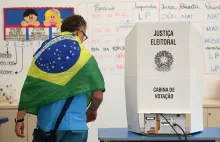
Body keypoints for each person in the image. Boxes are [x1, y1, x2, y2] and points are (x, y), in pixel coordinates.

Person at [14, 14, 105, 142]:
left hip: (46, 128)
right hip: (74, 127)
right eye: (83, 36)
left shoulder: (43, 52)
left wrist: (20, 119)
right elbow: (98, 96)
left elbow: (30, 88)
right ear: (79, 32)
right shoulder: (85, 57)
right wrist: (92, 109)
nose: (83, 39)